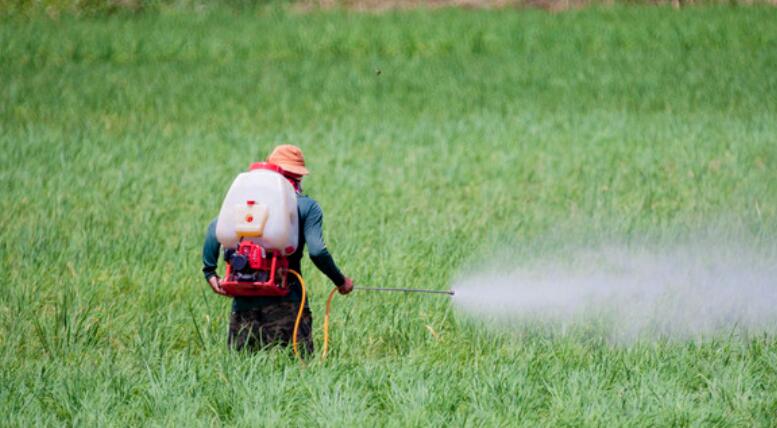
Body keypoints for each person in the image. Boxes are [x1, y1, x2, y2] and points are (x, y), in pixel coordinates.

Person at [202, 144, 353, 354]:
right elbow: (318, 252)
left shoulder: (247, 204)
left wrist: (210, 273)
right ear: (299, 176)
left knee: (243, 375)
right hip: (289, 302)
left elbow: (214, 229)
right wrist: (341, 281)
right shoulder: (307, 206)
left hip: (244, 304)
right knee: (297, 373)